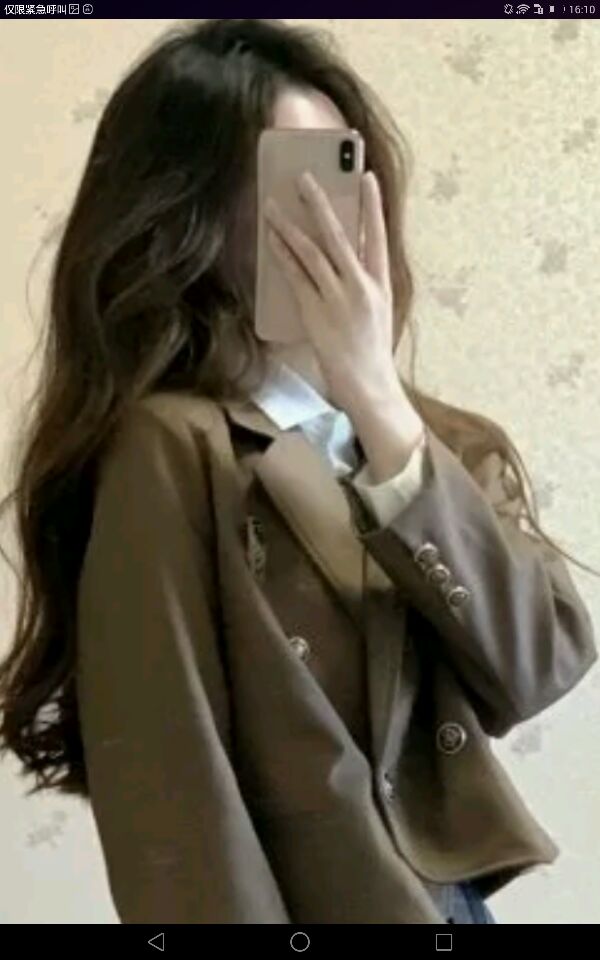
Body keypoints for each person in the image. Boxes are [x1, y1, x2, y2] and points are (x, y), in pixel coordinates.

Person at [0, 18, 597, 925]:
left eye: (340, 169)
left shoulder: (425, 440)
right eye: (287, 177)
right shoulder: (171, 447)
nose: (324, 211)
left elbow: (540, 664)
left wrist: (377, 399)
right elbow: (174, 807)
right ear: (189, 209)